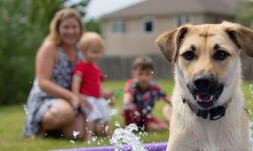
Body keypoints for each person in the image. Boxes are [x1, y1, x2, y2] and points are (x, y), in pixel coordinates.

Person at [23, 8, 111, 140]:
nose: (70, 31)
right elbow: (43, 83)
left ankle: (57, 131)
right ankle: (40, 129)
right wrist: (71, 96)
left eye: (74, 27)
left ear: (80, 29)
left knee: (80, 133)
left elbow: (88, 77)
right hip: (47, 99)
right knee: (63, 113)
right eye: (66, 27)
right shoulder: (50, 48)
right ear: (58, 28)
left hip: (73, 100)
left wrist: (100, 94)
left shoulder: (81, 49)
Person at [72, 32, 113, 141]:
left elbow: (98, 87)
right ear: (84, 51)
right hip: (87, 97)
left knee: (106, 111)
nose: (98, 55)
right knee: (92, 113)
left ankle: (109, 132)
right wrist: (77, 96)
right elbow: (76, 81)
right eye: (94, 52)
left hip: (97, 97)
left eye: (99, 52)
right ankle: (88, 135)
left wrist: (107, 96)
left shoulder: (96, 69)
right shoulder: (82, 66)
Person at [122, 56, 172, 131]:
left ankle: (145, 126)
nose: (144, 77)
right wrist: (126, 104)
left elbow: (166, 97)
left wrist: (176, 104)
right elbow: (127, 96)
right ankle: (131, 126)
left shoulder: (154, 87)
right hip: (133, 116)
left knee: (164, 126)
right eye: (140, 74)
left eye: (147, 74)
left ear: (152, 75)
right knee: (128, 108)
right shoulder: (132, 85)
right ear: (134, 74)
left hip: (147, 117)